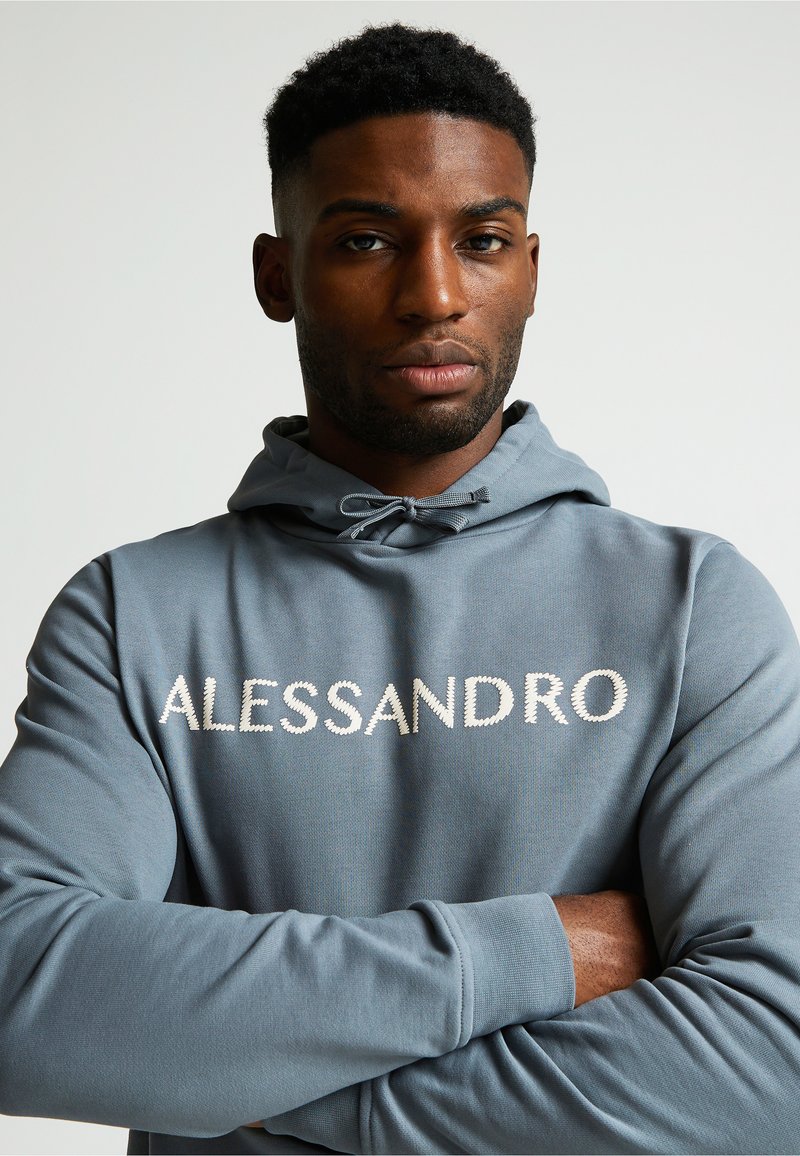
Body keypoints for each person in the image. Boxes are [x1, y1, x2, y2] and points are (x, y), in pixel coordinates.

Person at [1, 20, 798, 1156]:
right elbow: (20, 992)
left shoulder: (693, 606)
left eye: (483, 239)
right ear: (278, 275)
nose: (434, 293)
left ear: (531, 271)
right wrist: (537, 951)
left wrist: (252, 1091)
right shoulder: (132, 615)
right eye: (368, 239)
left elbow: (769, 1070)